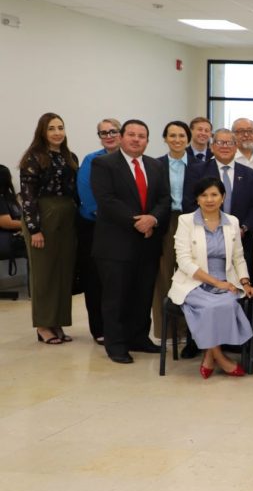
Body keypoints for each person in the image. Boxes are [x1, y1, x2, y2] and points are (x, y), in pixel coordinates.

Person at [91, 119, 171, 364]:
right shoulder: (104, 164)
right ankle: (116, 345)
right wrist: (138, 222)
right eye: (132, 135)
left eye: (142, 136)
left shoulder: (156, 165)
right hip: (116, 244)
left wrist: (153, 219)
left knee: (143, 294)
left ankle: (139, 338)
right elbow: (107, 200)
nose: (136, 139)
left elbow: (164, 199)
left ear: (147, 141)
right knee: (116, 297)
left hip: (148, 243)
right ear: (122, 137)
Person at [168, 177, 253, 379]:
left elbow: (238, 257)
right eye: (204, 195)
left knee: (227, 304)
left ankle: (209, 357)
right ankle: (221, 359)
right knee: (210, 307)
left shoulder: (232, 221)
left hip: (226, 279)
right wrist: (216, 283)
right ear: (197, 199)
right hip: (194, 280)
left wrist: (244, 281)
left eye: (214, 194)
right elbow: (184, 261)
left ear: (223, 197)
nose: (209, 199)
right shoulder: (186, 221)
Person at [18, 113, 79, 345]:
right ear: (42, 132)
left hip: (67, 216)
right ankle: (43, 325)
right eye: (51, 128)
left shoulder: (69, 157)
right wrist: (34, 229)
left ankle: (58, 322)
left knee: (63, 273)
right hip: (43, 216)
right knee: (44, 274)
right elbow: (28, 197)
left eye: (60, 127)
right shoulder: (33, 158)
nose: (57, 132)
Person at [183, 129, 253, 284]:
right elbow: (189, 203)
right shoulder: (197, 170)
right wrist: (209, 227)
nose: (225, 146)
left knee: (239, 286)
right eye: (220, 142)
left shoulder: (250, 174)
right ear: (212, 147)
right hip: (204, 238)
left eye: (229, 143)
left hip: (239, 240)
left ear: (236, 146)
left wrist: (243, 228)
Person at [75, 118, 120, 344]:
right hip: (95, 226)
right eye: (104, 133)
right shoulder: (91, 160)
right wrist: (113, 217)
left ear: (121, 133)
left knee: (120, 279)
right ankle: (99, 329)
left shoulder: (130, 159)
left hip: (124, 227)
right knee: (95, 280)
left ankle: (121, 326)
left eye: (113, 131)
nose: (109, 136)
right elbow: (86, 194)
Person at [151, 121, 191, 342]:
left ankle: (186, 330)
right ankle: (165, 330)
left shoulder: (199, 165)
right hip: (164, 222)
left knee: (188, 275)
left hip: (191, 221)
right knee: (164, 275)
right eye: (172, 135)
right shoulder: (155, 165)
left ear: (188, 139)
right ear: (165, 138)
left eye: (182, 135)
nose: (177, 140)